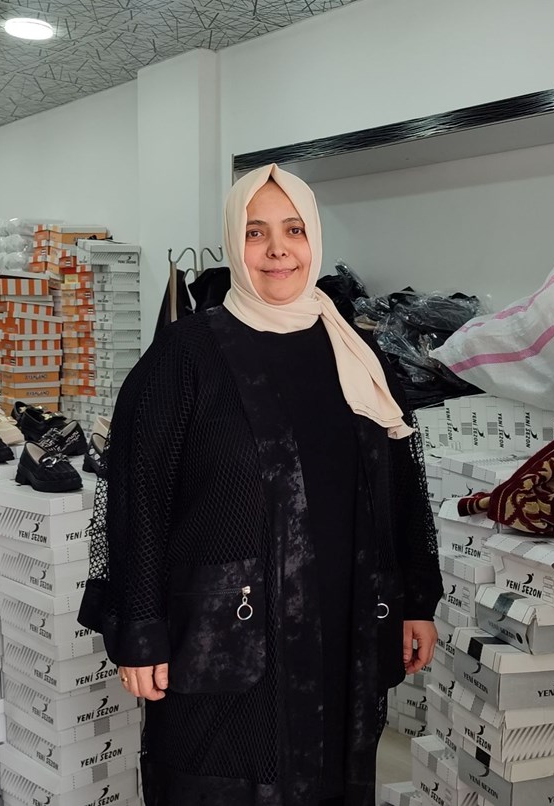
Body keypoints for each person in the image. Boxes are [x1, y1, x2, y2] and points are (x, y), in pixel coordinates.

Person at [78, 163, 443, 806]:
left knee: (333, 777)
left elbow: (402, 485)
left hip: (345, 621)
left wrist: (416, 597)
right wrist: (139, 629)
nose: (278, 249)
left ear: (314, 239)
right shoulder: (184, 357)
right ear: (232, 243)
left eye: (293, 230)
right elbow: (138, 499)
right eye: (256, 232)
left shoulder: (356, 353)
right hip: (230, 637)